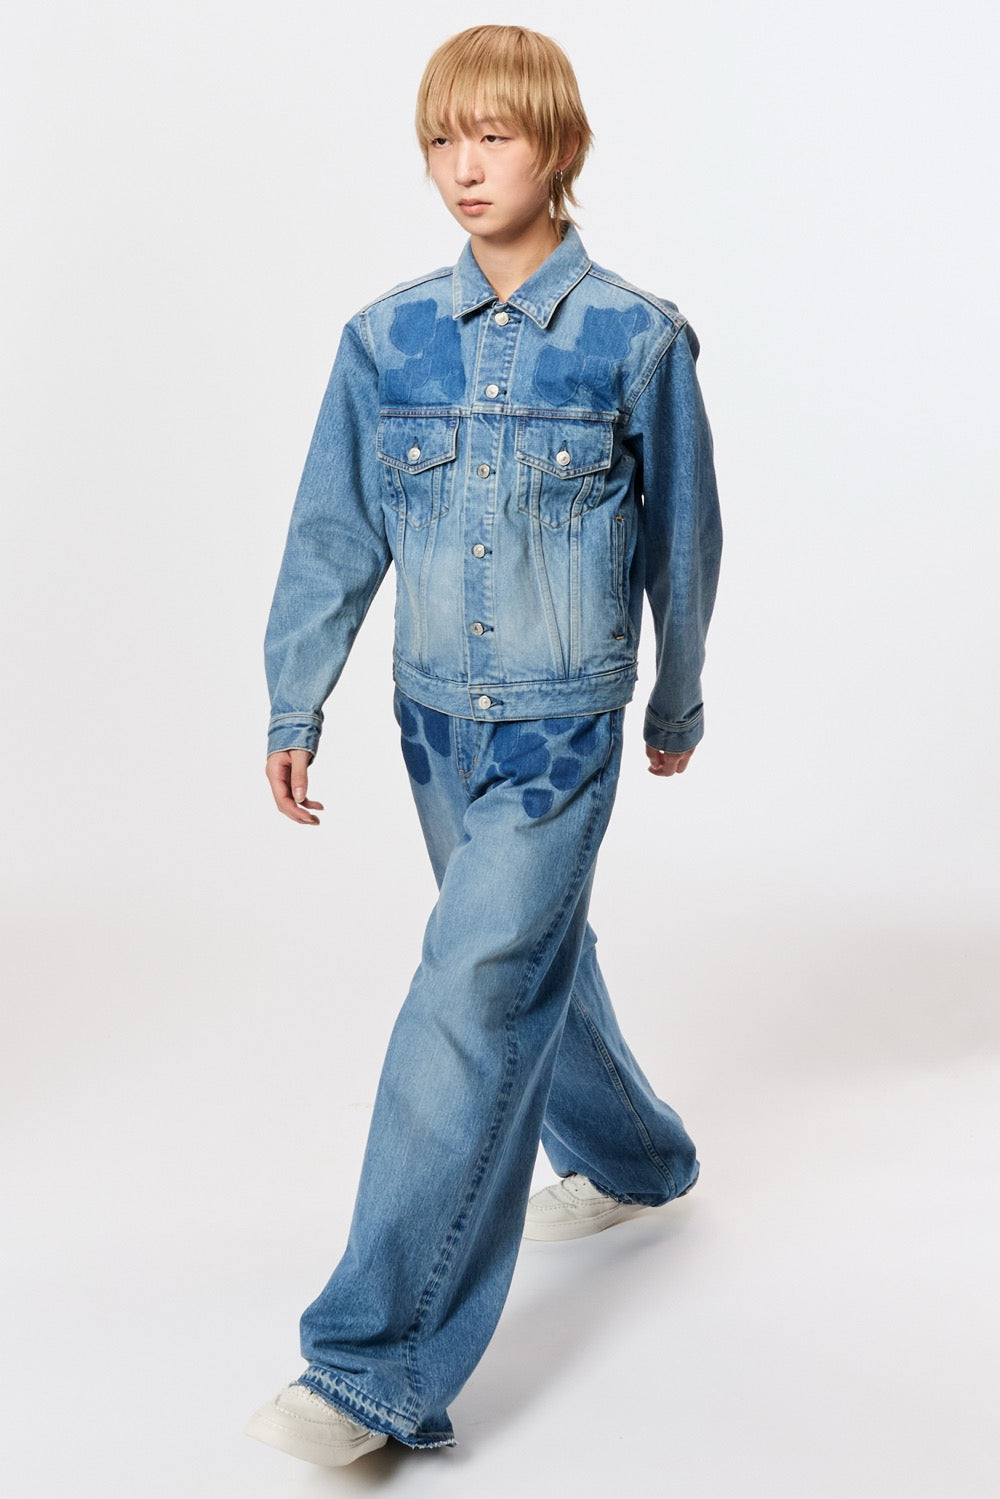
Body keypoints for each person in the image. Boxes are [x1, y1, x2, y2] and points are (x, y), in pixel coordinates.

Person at [247, 23, 722, 1469]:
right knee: (518, 958)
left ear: (557, 148)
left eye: (495, 136)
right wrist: (295, 699)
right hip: (432, 730)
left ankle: (373, 1363)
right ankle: (638, 1158)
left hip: (560, 739)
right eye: (442, 139)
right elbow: (332, 534)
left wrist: (676, 701)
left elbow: (684, 544)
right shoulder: (382, 341)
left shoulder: (637, 340)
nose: (464, 166)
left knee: (468, 993)